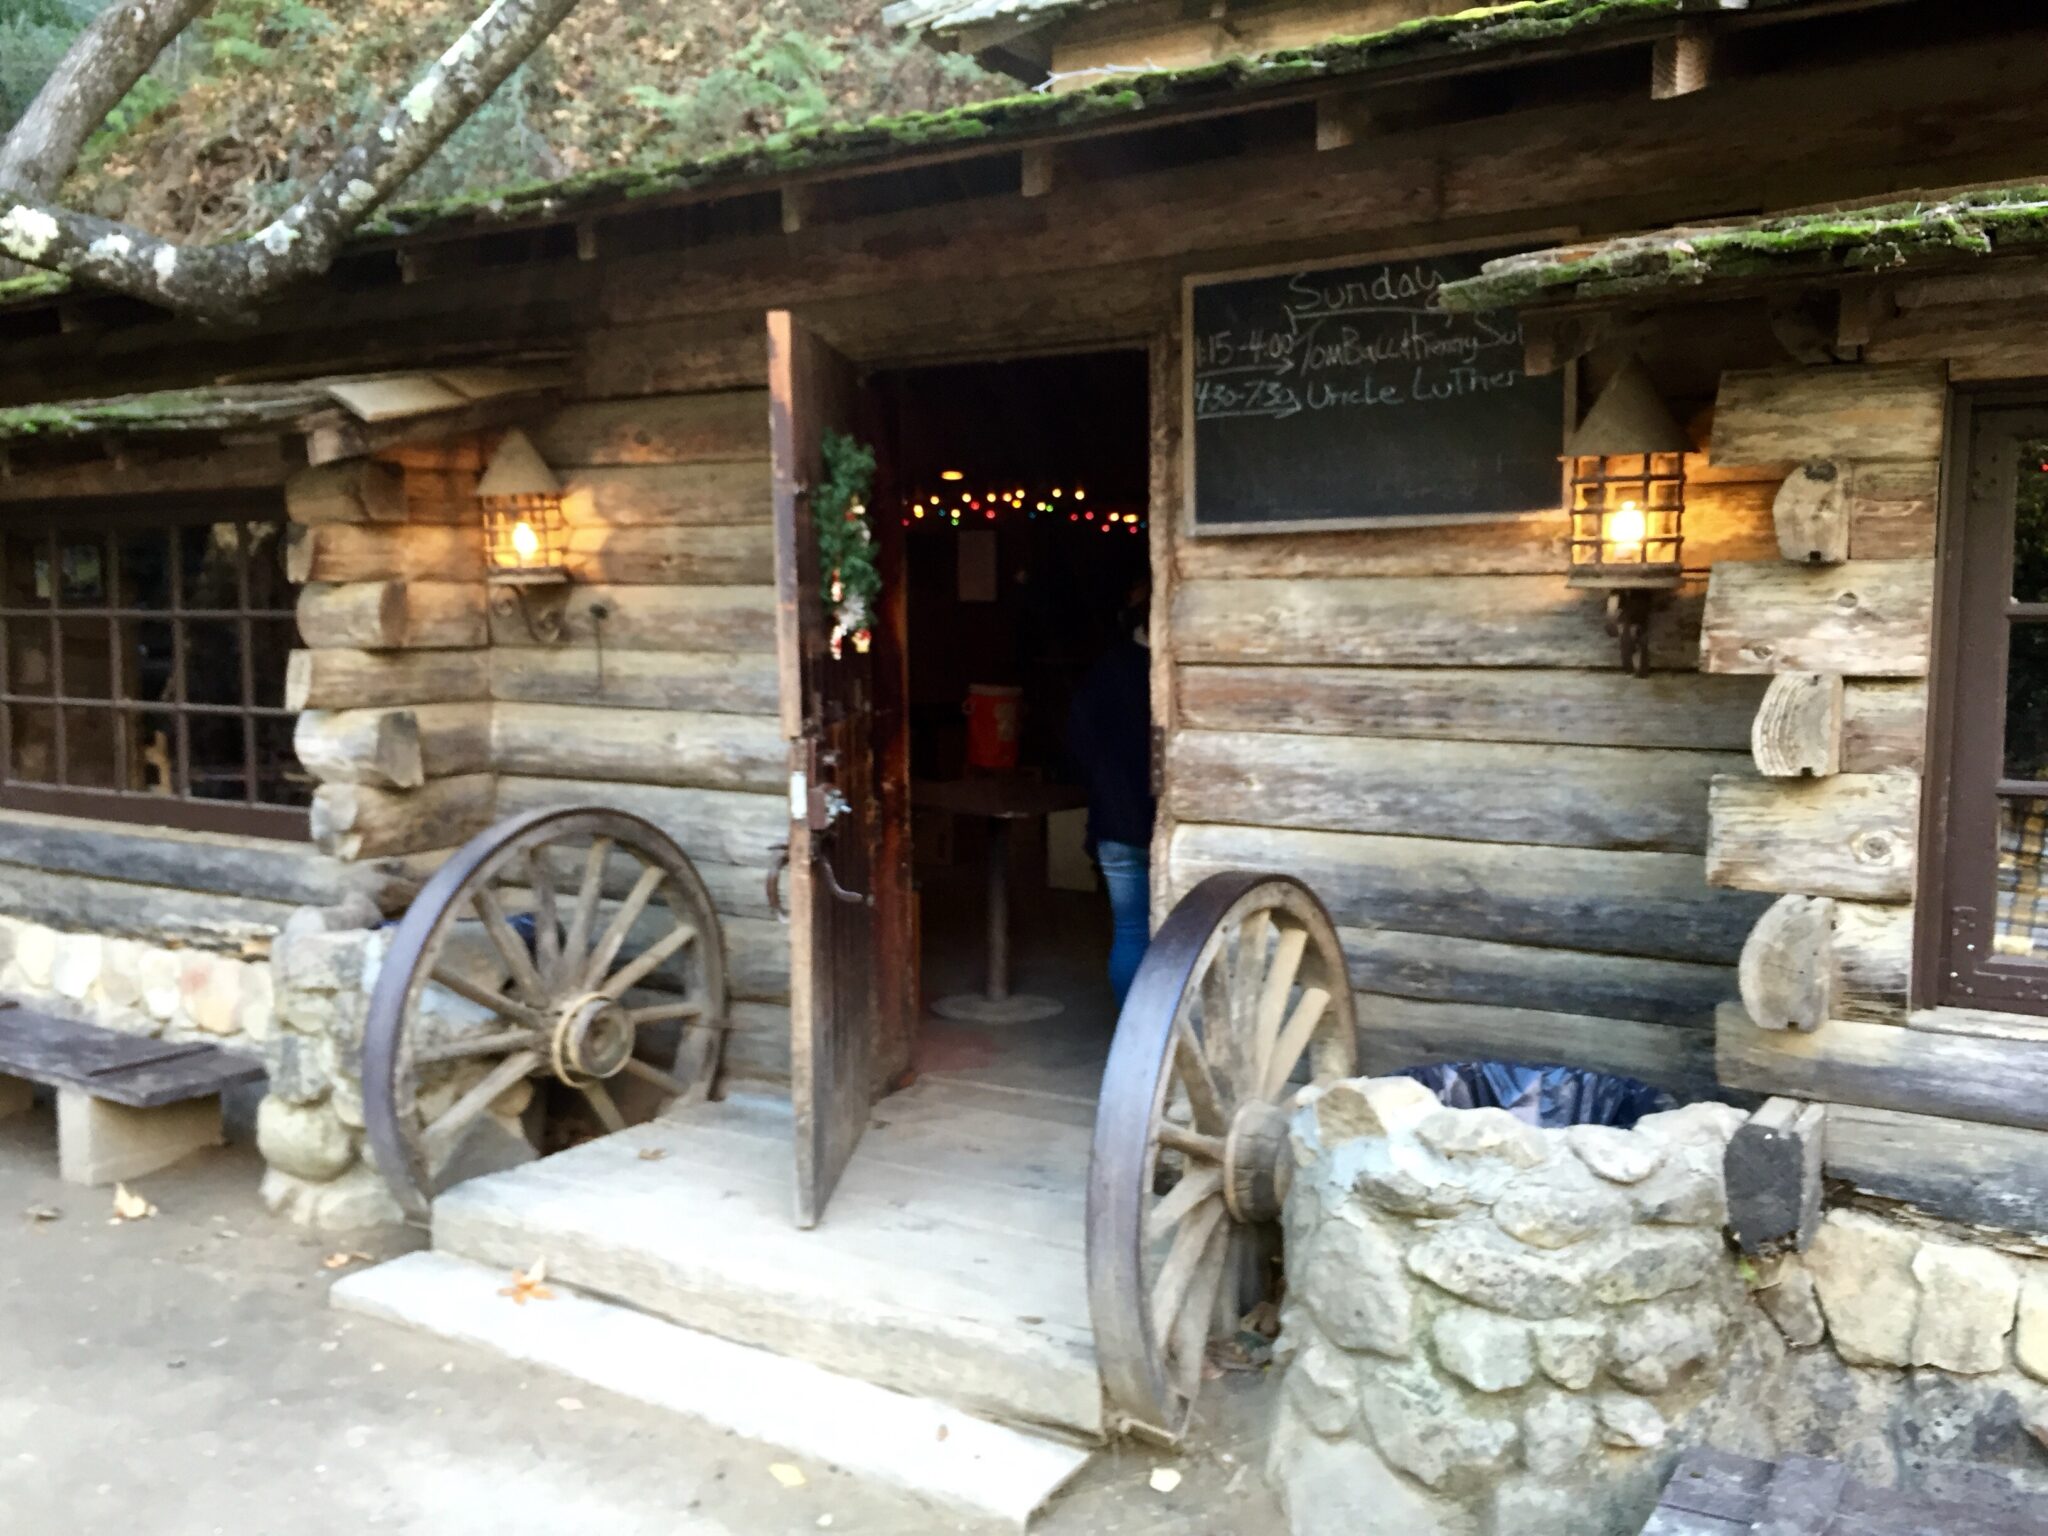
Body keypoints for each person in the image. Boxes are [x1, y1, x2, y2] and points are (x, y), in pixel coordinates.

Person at [1065, 581, 1155, 1006]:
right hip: (1168, 825)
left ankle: (1132, 1032)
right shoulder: (1181, 671)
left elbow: (1079, 741)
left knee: (1131, 932)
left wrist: (1103, 783)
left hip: (1116, 822)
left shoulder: (1108, 669)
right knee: (1174, 941)